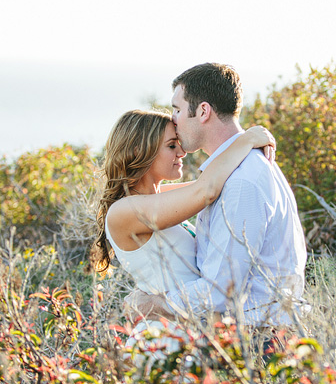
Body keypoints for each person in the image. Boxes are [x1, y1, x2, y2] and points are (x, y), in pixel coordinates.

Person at [129, 63, 308, 346]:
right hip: (252, 334)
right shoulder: (240, 169)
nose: (173, 120)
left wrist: (154, 304)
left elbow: (220, 290)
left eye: (176, 109)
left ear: (202, 111)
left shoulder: (241, 181)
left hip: (257, 339)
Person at [90, 108, 276, 365]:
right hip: (165, 342)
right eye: (171, 145)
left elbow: (220, 180)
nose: (182, 152)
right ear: (137, 150)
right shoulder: (123, 211)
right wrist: (246, 139)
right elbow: (207, 189)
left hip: (192, 336)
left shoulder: (155, 198)